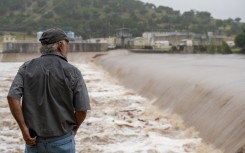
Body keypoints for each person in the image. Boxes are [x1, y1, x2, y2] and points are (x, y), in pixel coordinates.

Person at [7, 28, 90, 153]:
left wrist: (24, 129)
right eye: (67, 43)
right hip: (63, 141)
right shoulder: (73, 72)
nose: (68, 47)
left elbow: (12, 97)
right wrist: (74, 129)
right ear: (60, 45)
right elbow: (82, 109)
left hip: (34, 141)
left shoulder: (26, 68)